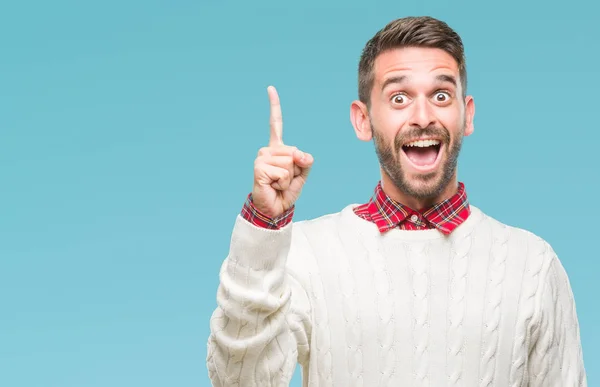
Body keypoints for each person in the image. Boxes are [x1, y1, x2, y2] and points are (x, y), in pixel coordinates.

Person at [206, 16, 587, 386]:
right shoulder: (306, 254)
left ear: (466, 115)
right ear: (363, 120)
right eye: (399, 97)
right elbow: (239, 380)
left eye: (441, 95)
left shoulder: (533, 265)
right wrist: (264, 224)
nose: (422, 117)